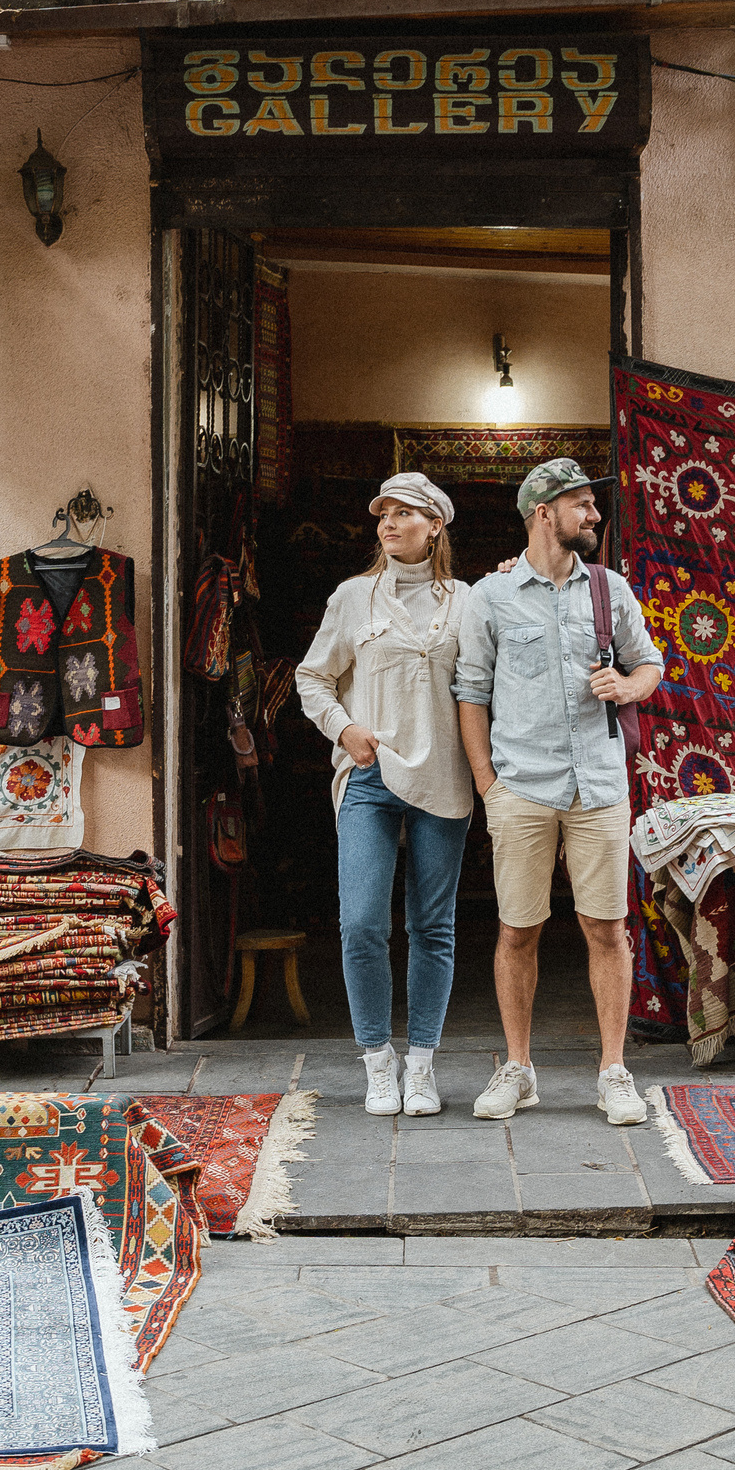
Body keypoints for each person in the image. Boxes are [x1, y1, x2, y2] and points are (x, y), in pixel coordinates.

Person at [454, 458, 664, 1126]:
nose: (594, 516)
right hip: (521, 787)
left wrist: (630, 686)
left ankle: (613, 1070)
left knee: (606, 928)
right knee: (517, 929)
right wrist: (489, 784)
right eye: (582, 505)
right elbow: (471, 694)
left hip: (599, 785)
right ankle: (518, 1068)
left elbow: (651, 663)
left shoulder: (610, 590)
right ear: (544, 512)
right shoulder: (491, 596)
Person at [295, 472, 474, 1118]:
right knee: (363, 921)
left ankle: (421, 1062)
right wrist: (344, 726)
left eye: (404, 513)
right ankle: (377, 1059)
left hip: (442, 775)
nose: (388, 523)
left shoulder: (467, 602)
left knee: (432, 924)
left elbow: (488, 679)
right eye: (383, 514)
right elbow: (312, 675)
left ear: (435, 525)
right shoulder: (353, 597)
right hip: (369, 774)